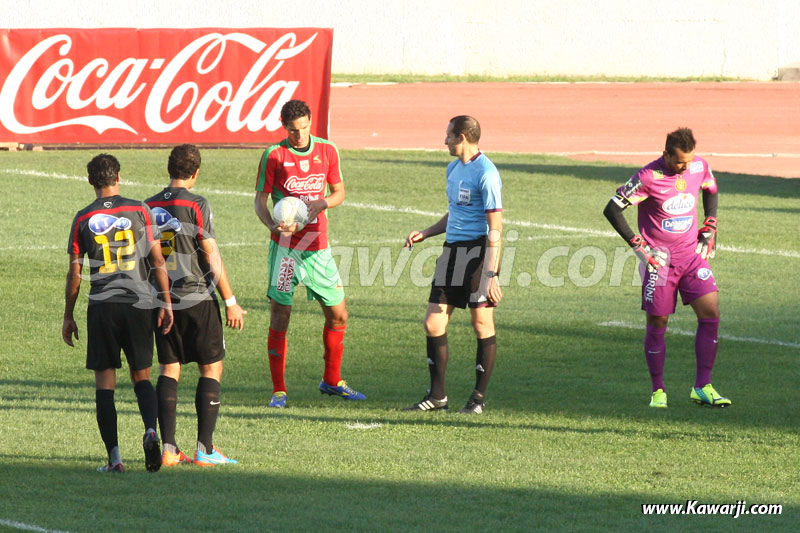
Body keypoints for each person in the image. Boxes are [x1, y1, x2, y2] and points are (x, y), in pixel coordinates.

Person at [603, 127, 729, 408]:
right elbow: (612, 209)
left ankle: (703, 387)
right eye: (680, 162)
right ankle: (658, 391)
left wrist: (711, 224)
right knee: (658, 323)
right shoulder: (648, 177)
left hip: (691, 257)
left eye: (689, 161)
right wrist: (637, 244)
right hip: (660, 263)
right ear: (666, 155)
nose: (685, 167)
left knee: (711, 313)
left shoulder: (698, 166)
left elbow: (710, 188)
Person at [62, 153, 173, 473]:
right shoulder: (141, 210)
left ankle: (115, 459)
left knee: (105, 384)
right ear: (119, 177)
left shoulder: (82, 218)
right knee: (142, 377)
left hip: (103, 307)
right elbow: (157, 261)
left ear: (90, 181)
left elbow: (75, 273)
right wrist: (166, 302)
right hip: (139, 304)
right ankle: (150, 430)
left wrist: (68, 315)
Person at [254, 99, 365, 408]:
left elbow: (339, 192)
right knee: (281, 315)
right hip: (286, 251)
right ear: (284, 127)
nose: (299, 135)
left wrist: (323, 202)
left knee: (338, 314)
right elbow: (260, 200)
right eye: (293, 130)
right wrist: (272, 226)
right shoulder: (274, 155)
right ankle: (279, 390)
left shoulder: (328, 150)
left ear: (310, 122)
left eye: (304, 128)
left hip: (318, 249)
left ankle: (332, 380)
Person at [146, 144, 245, 467]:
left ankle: (169, 449)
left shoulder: (148, 206)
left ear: (169, 169)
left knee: (169, 368)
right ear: (196, 172)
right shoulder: (196, 203)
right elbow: (211, 255)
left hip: (163, 300)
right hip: (197, 296)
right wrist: (230, 301)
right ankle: (205, 448)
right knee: (211, 366)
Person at [403, 115, 503, 414]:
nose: (444, 140)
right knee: (433, 323)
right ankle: (437, 397)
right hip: (452, 252)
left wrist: (491, 274)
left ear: (462, 137)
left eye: (448, 135)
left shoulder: (487, 173)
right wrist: (426, 232)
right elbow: (456, 212)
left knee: (481, 323)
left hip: (479, 252)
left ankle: (477, 400)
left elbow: (495, 227)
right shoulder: (453, 169)